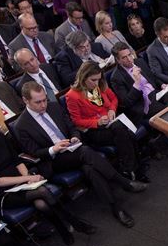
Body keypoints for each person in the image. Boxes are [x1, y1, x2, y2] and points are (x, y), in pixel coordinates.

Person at [16, 81, 147, 227]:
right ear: (25, 100)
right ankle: (124, 182)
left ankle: (116, 208)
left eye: (44, 100)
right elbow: (34, 153)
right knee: (85, 152)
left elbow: (72, 127)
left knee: (89, 168)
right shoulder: (21, 125)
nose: (43, 105)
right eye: (38, 102)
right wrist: (54, 148)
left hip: (74, 149)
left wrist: (75, 136)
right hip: (54, 161)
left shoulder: (53, 107)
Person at [0, 113, 91, 245]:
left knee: (41, 202)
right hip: (4, 192)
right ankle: (74, 222)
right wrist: (26, 179)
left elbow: (17, 160)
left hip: (22, 180)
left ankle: (63, 230)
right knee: (42, 192)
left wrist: (28, 179)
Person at [65, 62, 147, 182]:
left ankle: (130, 169)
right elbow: (76, 121)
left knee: (123, 131)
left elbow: (114, 99)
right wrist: (97, 122)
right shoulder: (72, 96)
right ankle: (135, 168)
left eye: (98, 79)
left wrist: (112, 110)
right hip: (94, 131)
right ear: (83, 77)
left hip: (111, 123)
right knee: (123, 131)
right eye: (93, 80)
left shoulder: (101, 84)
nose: (96, 83)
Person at [109, 42, 168, 126]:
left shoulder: (139, 62)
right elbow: (127, 102)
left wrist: (161, 84)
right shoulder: (116, 78)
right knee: (161, 109)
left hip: (156, 93)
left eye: (129, 55)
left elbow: (152, 77)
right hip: (143, 102)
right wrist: (137, 83)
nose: (129, 59)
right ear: (118, 60)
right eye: (124, 57)